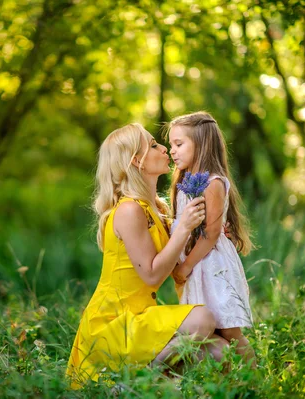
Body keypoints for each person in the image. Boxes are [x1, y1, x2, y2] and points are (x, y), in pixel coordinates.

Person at [66, 123, 229, 389]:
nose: (164, 148)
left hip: (142, 317)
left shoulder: (157, 207)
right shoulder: (129, 210)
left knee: (223, 353)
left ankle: (163, 384)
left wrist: (216, 230)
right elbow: (152, 273)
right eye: (153, 145)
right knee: (203, 319)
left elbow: (176, 256)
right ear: (136, 161)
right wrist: (184, 228)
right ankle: (139, 383)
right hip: (112, 324)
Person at [167, 111, 256, 365]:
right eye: (172, 145)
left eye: (179, 144)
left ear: (202, 143)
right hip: (197, 267)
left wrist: (184, 266)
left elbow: (212, 233)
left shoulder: (213, 182)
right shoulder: (184, 181)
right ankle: (226, 379)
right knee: (208, 332)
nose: (172, 151)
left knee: (228, 330)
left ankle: (256, 378)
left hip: (211, 265)